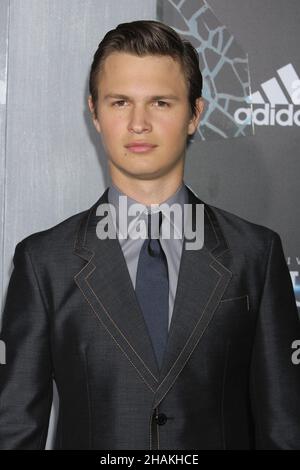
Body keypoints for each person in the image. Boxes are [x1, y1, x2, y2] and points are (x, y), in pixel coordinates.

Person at [0, 19, 299, 450]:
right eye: (120, 102)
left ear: (195, 114)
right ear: (95, 113)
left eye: (160, 102)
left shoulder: (256, 254)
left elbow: (284, 430)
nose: (139, 123)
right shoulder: (44, 262)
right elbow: (13, 430)